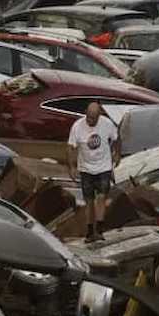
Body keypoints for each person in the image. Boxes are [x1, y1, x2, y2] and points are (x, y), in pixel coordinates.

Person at [68, 102, 121, 242]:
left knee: (101, 197)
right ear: (85, 113)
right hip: (85, 168)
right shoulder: (77, 126)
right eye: (89, 117)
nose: (90, 121)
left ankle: (100, 230)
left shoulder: (107, 124)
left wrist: (117, 154)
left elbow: (116, 138)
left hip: (104, 167)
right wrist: (72, 166)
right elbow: (71, 147)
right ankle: (90, 231)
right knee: (89, 201)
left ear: (99, 116)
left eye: (94, 118)